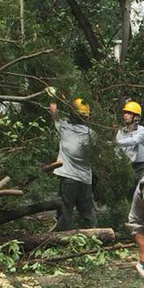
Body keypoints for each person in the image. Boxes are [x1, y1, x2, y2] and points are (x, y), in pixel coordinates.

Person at [49, 98, 95, 231]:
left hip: (68, 178)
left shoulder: (65, 129)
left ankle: (61, 238)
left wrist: (53, 104)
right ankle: (94, 237)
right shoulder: (92, 135)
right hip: (85, 179)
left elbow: (55, 116)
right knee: (88, 212)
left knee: (65, 211)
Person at [117, 100, 144, 183]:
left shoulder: (142, 130)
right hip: (129, 166)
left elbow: (134, 140)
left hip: (143, 165)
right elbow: (117, 149)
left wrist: (117, 143)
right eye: (125, 113)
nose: (125, 115)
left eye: (129, 113)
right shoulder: (121, 132)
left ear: (136, 117)